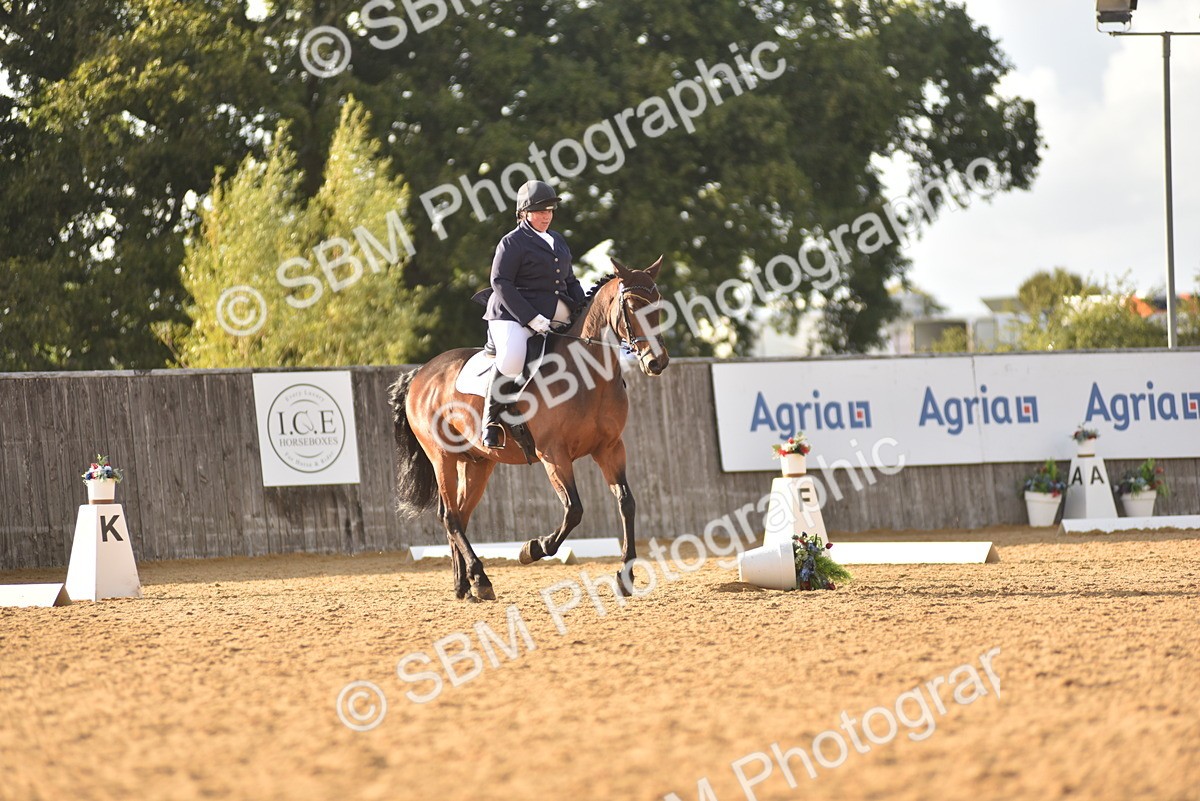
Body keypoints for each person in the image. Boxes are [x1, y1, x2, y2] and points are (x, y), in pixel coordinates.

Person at [479, 180, 586, 448]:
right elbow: (500, 282)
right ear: (524, 213)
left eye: (549, 211)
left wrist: (585, 309)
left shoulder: (557, 241)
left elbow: (570, 281)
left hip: (553, 308)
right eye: (540, 212)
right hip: (512, 312)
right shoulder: (512, 242)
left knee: (585, 340)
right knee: (513, 358)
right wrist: (530, 318)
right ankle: (490, 421)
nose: (546, 216)